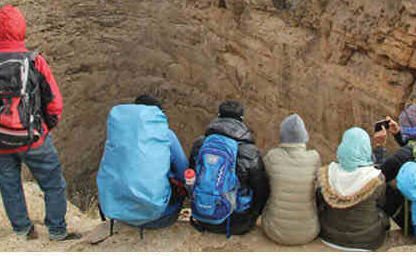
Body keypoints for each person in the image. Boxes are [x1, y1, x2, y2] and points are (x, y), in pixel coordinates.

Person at [0, 5, 78, 241]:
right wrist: (44, 127)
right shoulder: (35, 62)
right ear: (22, 30)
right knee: (53, 183)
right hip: (33, 138)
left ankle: (23, 230)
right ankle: (57, 231)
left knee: (10, 185)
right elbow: (54, 102)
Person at [97, 94, 189, 230]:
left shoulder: (118, 134)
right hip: (157, 217)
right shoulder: (165, 134)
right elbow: (183, 172)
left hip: (118, 213)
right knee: (180, 187)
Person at [188, 101, 269, 236]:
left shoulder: (200, 144)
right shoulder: (250, 151)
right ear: (241, 119)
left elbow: (191, 177)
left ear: (218, 116)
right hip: (237, 223)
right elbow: (261, 190)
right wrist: (254, 215)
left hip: (202, 215)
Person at [317, 127, 390, 251]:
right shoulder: (375, 178)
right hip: (367, 241)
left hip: (329, 237)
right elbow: (382, 204)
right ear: (366, 148)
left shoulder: (328, 174)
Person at [262, 114, 320, 245]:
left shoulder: (272, 156)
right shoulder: (314, 157)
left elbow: (264, 181)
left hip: (274, 231)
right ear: (304, 135)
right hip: (309, 232)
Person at [372, 104, 416, 228]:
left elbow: (375, 179)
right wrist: (398, 134)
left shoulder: (401, 157)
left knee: (383, 190)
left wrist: (379, 147)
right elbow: (414, 149)